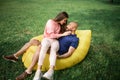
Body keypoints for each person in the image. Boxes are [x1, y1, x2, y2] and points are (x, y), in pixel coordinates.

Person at [3, 22, 79, 80]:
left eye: (70, 24)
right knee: (33, 41)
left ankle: (28, 71)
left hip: (56, 51)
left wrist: (59, 56)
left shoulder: (75, 39)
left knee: (40, 47)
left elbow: (69, 53)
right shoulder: (64, 33)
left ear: (74, 28)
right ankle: (15, 56)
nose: (67, 25)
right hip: (50, 45)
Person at [33, 11, 71, 80]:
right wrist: (63, 34)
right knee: (44, 46)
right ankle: (38, 71)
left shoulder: (60, 25)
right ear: (61, 17)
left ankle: (50, 72)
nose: (65, 22)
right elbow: (51, 35)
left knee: (54, 50)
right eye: (64, 20)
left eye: (66, 21)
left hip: (55, 40)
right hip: (47, 38)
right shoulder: (50, 22)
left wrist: (67, 30)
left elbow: (57, 36)